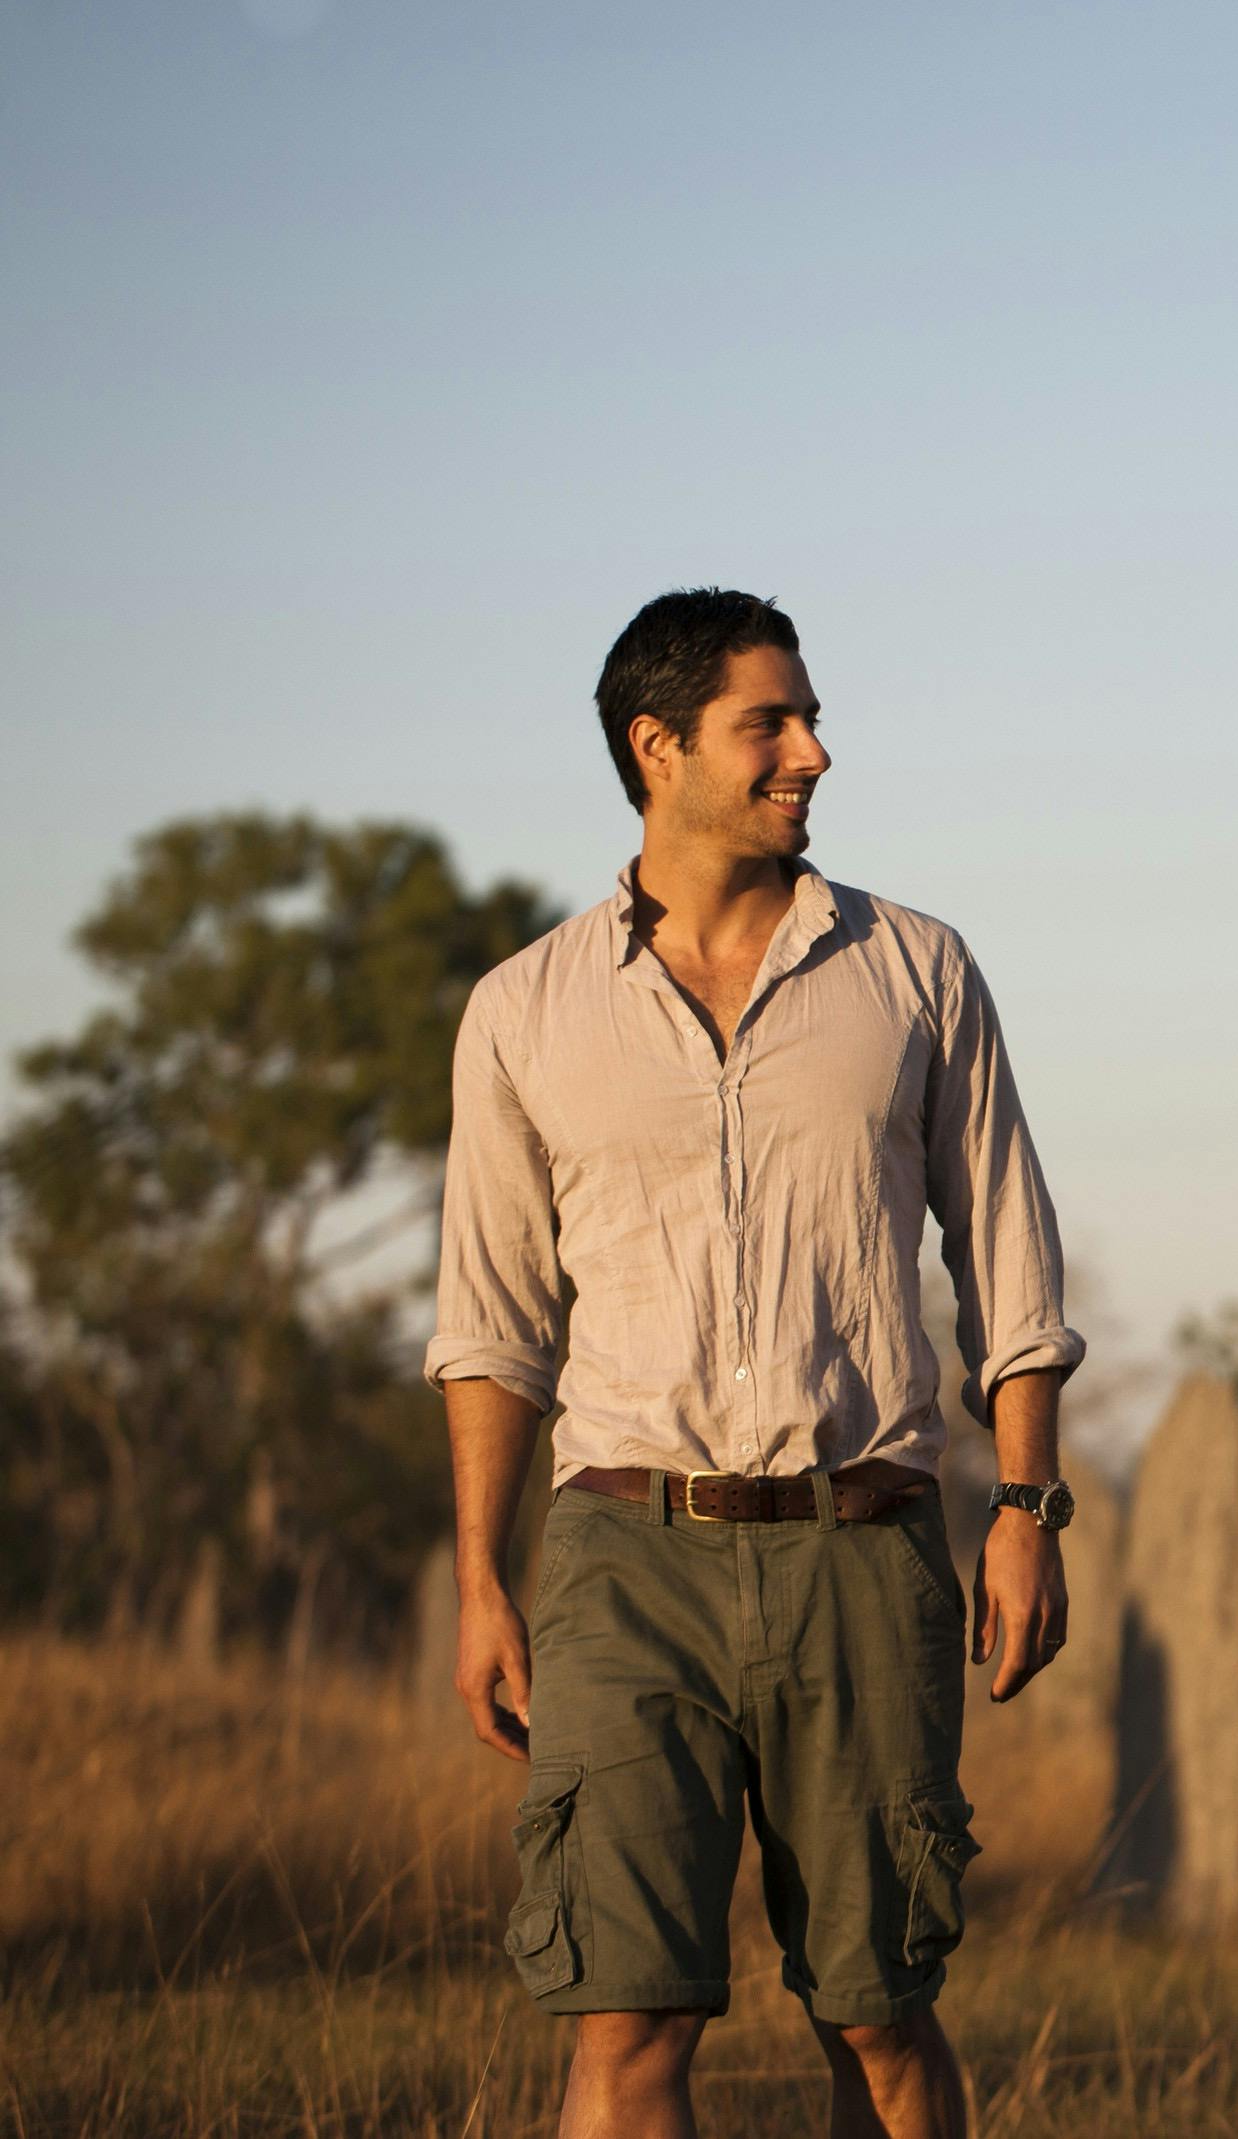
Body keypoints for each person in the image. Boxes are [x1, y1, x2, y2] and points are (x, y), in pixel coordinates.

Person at [425, 588, 1089, 2139]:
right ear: (658, 749)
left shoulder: (915, 970)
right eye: (770, 724)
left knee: (877, 2010)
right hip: (621, 1558)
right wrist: (480, 1581)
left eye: (808, 716)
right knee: (625, 2025)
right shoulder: (523, 1009)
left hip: (863, 1546)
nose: (815, 751)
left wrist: (1024, 1511)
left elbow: (1009, 1268)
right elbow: (493, 1328)